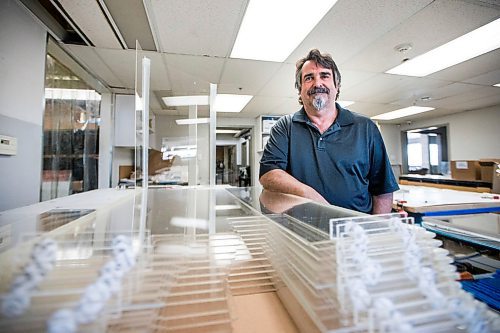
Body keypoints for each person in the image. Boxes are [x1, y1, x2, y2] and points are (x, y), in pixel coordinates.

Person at [259, 49, 399, 214]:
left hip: (355, 232)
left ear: (337, 85)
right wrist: (311, 196)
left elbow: (382, 190)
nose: (317, 83)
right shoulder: (285, 127)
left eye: (325, 76)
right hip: (302, 230)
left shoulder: (366, 127)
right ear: (300, 88)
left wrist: (376, 232)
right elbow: (268, 174)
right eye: (309, 78)